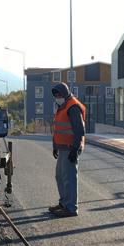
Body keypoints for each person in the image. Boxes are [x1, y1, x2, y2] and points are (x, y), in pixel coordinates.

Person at [49, 82, 86, 217]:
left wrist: (74, 150)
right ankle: (64, 203)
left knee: (68, 178)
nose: (57, 97)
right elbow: (58, 128)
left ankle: (71, 208)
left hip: (71, 148)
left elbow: (80, 130)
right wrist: (55, 146)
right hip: (63, 148)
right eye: (55, 95)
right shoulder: (62, 106)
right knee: (60, 176)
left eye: (59, 95)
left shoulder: (73, 107)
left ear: (65, 94)